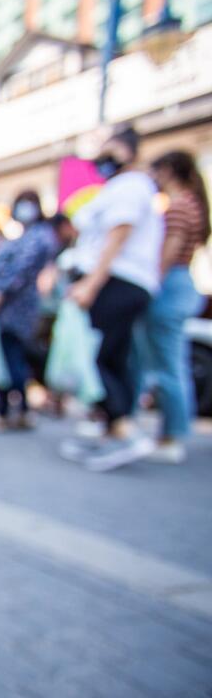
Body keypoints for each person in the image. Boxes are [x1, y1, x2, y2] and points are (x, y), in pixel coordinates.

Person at [62, 126, 164, 471]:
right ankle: (112, 433)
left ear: (131, 152)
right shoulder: (123, 188)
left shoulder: (131, 186)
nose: (104, 157)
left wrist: (91, 284)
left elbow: (118, 236)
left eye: (113, 150)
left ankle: (126, 431)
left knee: (99, 358)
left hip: (117, 282)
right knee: (114, 358)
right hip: (120, 281)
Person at [139, 150, 210, 463]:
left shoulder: (180, 205)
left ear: (168, 170)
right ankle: (171, 432)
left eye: (156, 171)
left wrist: (152, 283)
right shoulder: (193, 202)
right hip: (182, 284)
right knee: (172, 362)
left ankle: (171, 437)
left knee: (168, 365)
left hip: (171, 285)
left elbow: (169, 251)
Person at [0, 191, 63, 429]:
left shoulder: (39, 237)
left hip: (16, 308)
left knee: (10, 359)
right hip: (14, 307)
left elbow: (20, 271)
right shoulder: (25, 237)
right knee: (12, 359)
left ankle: (10, 412)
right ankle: (18, 411)